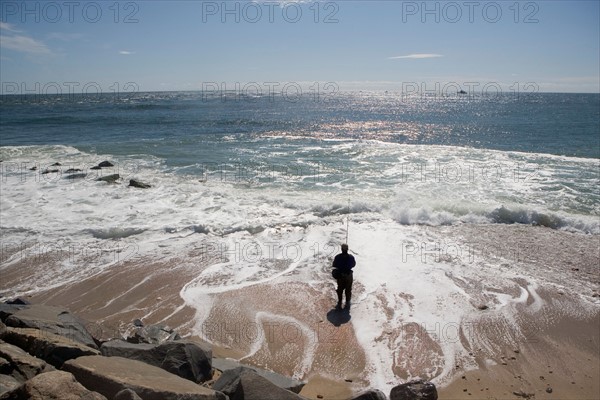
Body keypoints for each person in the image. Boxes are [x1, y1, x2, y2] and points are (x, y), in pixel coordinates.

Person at [332, 243, 355, 309]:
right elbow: (353, 265)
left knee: (340, 289)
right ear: (347, 249)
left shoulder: (337, 257)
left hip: (340, 275)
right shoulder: (351, 257)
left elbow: (334, 265)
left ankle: (339, 302)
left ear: (341, 249)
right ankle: (347, 303)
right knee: (348, 289)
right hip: (349, 276)